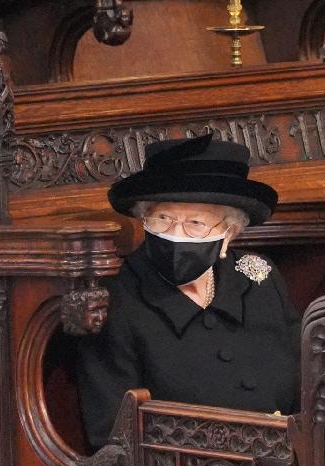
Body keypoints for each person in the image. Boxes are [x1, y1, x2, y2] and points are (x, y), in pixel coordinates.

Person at [75, 135, 299, 448]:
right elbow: (113, 440)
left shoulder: (259, 278)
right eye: (163, 218)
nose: (176, 235)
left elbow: (306, 388)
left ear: (228, 234)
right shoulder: (116, 300)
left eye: (195, 223)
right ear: (144, 219)